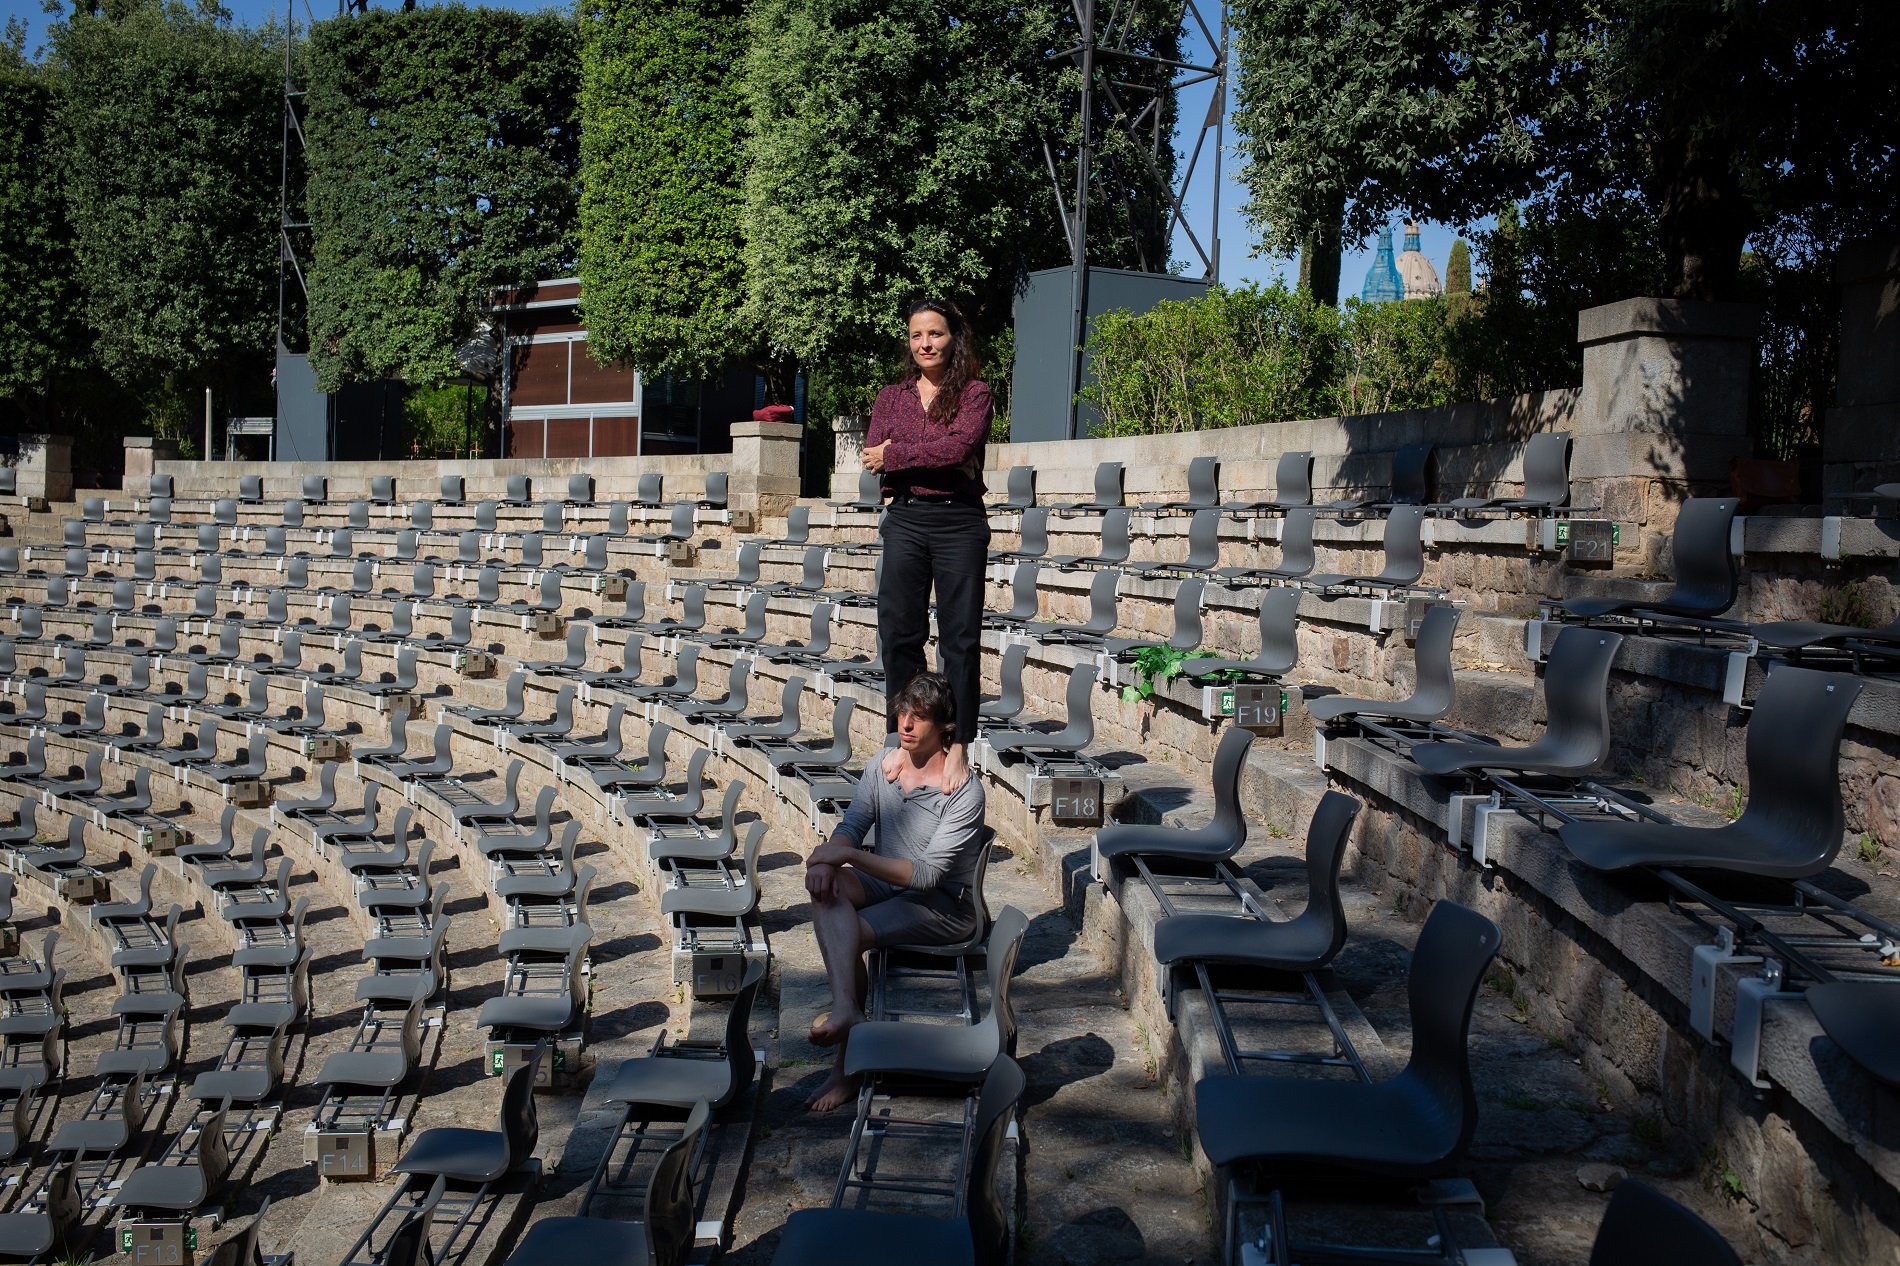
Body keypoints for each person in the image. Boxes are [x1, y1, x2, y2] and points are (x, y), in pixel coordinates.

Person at [803, 672, 987, 1112]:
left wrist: (844, 858)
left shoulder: (964, 793)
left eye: (919, 717)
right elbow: (851, 827)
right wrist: (833, 856)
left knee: (850, 929)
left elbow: (925, 876)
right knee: (826, 893)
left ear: (944, 729)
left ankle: (845, 1068)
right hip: (888, 887)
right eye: (903, 712)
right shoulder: (882, 766)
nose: (906, 723)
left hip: (944, 906)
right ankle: (848, 1008)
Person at [863, 298, 992, 794]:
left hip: (959, 520)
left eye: (935, 334)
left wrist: (898, 453)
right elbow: (875, 460)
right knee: (899, 634)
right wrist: (912, 458)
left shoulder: (974, 393)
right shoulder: (891, 397)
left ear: (953, 338)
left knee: (959, 640)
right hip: (907, 518)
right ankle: (906, 739)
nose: (925, 344)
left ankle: (957, 744)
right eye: (917, 336)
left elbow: (958, 448)